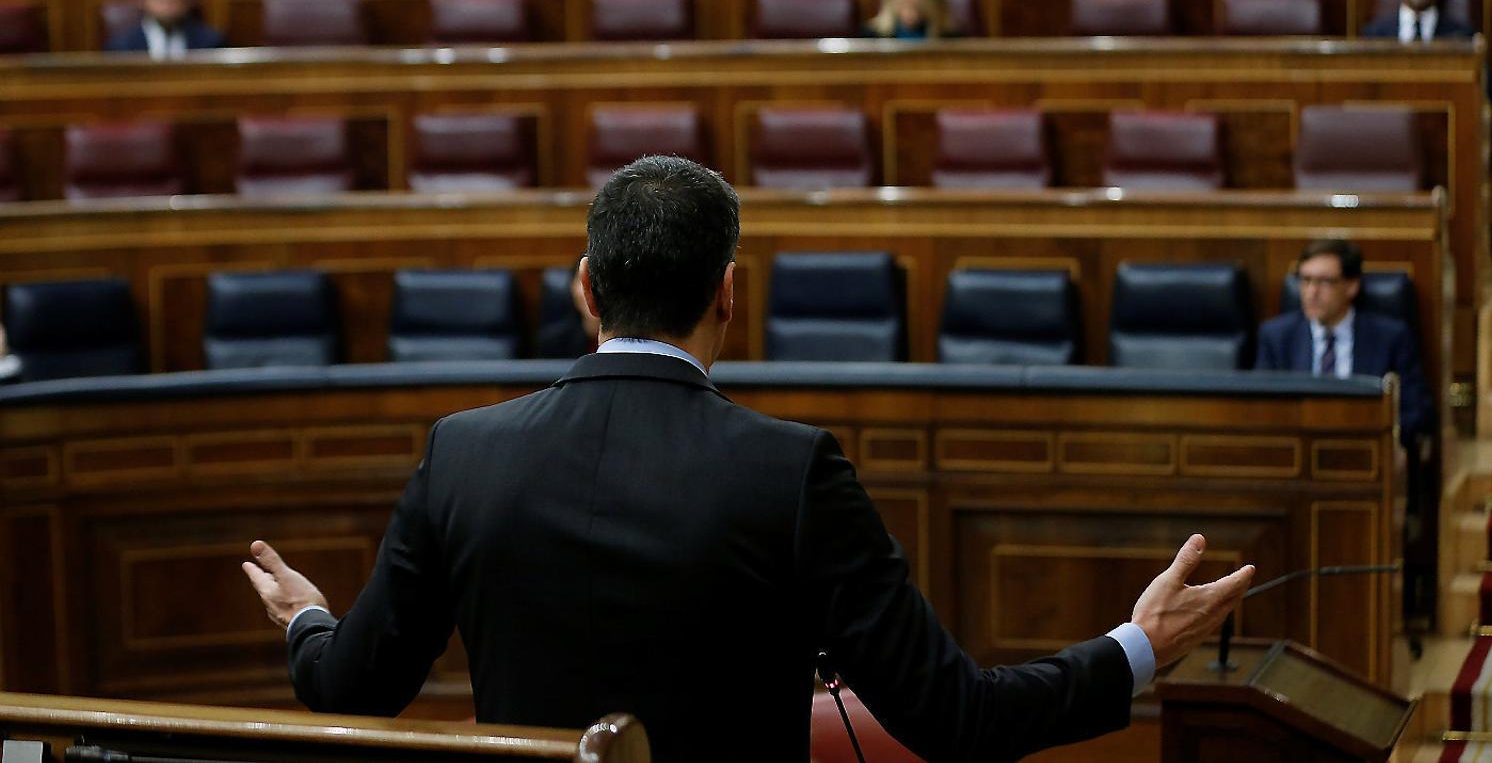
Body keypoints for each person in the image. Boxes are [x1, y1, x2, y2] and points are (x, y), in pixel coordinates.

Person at [243, 155, 1252, 762]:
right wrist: (1136, 647)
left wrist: (308, 622)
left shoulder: (461, 455)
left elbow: (349, 692)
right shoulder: (792, 471)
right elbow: (956, 720)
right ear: (729, 294)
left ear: (585, 289)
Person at [1255, 238, 1436, 443]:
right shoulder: (1276, 337)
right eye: (1305, 280)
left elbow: (1417, 412)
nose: (1311, 293)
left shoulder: (1390, 337)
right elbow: (1262, 411)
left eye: (1324, 282)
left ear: (1351, 286)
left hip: (1365, 452)